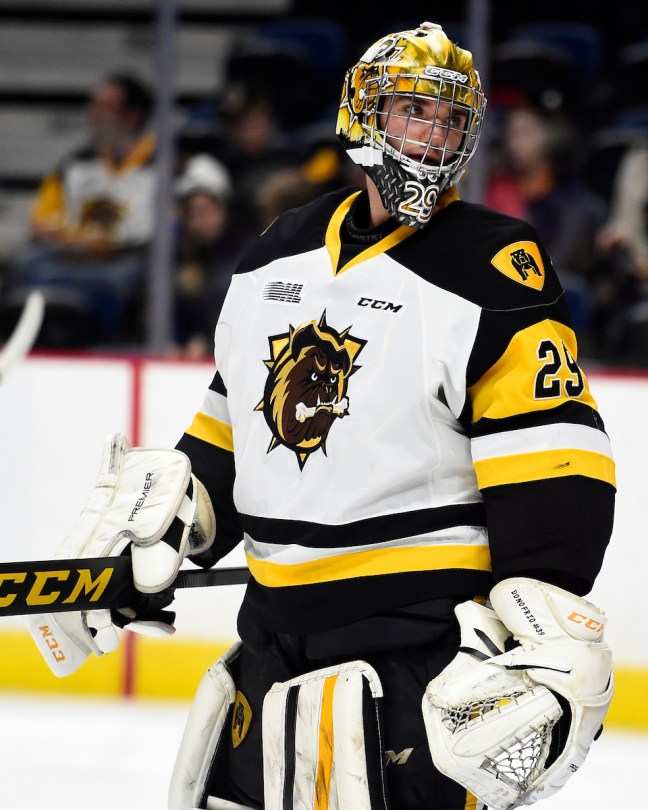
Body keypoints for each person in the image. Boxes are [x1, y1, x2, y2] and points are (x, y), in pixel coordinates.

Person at [27, 23, 616, 810]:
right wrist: (157, 535)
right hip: (267, 646)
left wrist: (541, 612)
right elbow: (226, 438)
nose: (434, 137)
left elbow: (559, 472)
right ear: (362, 118)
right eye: (413, 112)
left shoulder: (495, 267)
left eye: (449, 120)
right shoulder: (278, 250)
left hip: (413, 661)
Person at [5, 72, 156, 347]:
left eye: (105, 106)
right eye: (93, 105)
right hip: (72, 260)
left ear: (133, 116)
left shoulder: (164, 165)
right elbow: (40, 222)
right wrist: (76, 238)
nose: (94, 113)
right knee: (26, 264)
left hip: (126, 264)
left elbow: (158, 232)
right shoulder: (75, 164)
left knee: (139, 277)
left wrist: (88, 239)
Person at [485, 100, 609, 344]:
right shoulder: (497, 189)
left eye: (525, 133)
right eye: (511, 133)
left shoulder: (572, 201)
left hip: (552, 306)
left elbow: (558, 262)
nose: (514, 142)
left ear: (551, 137)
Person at [172, 153, 251, 358]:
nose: (200, 221)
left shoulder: (247, 256)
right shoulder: (175, 256)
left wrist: (208, 344)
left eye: (207, 210)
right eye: (193, 212)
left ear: (224, 208)